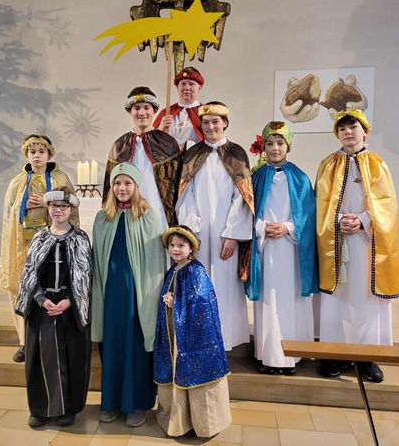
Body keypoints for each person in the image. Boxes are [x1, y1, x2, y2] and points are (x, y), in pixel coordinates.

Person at [315, 108, 399, 382]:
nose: (348, 133)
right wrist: (338, 220)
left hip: (367, 244)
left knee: (365, 300)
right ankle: (334, 354)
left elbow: (387, 206)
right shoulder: (328, 164)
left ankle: (367, 358)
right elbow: (319, 204)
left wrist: (362, 220)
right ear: (337, 133)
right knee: (336, 300)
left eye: (353, 128)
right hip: (336, 240)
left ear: (364, 131)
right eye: (342, 129)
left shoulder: (377, 164)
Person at [92, 162, 166, 427]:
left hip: (138, 294)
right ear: (112, 187)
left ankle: (137, 404)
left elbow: (157, 262)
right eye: (117, 183)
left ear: (136, 187)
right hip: (110, 294)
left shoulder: (148, 217)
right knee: (111, 346)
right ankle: (110, 401)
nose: (122, 188)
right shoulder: (103, 218)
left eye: (127, 183)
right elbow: (96, 260)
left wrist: (151, 295)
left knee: (135, 346)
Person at [176, 102, 254, 351]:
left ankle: (225, 342)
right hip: (198, 233)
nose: (211, 127)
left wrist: (232, 234)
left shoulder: (237, 154)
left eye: (216, 122)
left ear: (225, 123)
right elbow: (184, 194)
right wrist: (190, 230)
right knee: (197, 286)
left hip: (224, 236)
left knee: (224, 286)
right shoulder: (192, 154)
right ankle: (199, 342)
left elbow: (241, 197)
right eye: (206, 122)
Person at [15, 188, 91, 428]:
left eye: (64, 206)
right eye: (54, 206)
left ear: (71, 210)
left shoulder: (80, 238)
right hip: (43, 306)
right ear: (48, 208)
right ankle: (39, 409)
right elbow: (29, 272)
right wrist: (39, 297)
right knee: (39, 357)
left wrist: (70, 300)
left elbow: (85, 275)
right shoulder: (40, 237)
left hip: (70, 306)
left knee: (70, 357)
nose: (59, 210)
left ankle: (68, 409)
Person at [247, 121, 318, 375]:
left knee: (290, 300)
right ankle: (267, 354)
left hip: (290, 250)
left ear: (288, 146)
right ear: (263, 147)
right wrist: (262, 226)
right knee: (269, 300)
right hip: (265, 248)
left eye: (280, 143)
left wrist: (288, 228)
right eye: (270, 143)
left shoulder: (299, 177)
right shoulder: (256, 176)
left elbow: (309, 215)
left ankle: (292, 356)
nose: (275, 148)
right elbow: (248, 211)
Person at [0, 134, 78, 363]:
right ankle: (24, 341)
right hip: (25, 244)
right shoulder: (17, 182)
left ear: (49, 154)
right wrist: (23, 205)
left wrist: (47, 202)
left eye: (41, 151)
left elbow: (72, 207)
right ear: (26, 155)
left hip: (54, 244)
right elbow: (8, 216)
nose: (36, 155)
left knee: (52, 287)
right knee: (24, 289)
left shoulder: (60, 177)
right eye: (32, 151)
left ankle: (54, 335)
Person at [154, 225, 231, 438]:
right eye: (172, 245)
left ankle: (202, 424)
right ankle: (180, 420)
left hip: (193, 336)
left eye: (181, 245)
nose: (175, 249)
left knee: (192, 372)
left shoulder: (196, 271)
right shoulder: (173, 270)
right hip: (175, 333)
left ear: (191, 248)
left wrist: (175, 303)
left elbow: (201, 302)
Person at [102, 86, 181, 231]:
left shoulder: (168, 144)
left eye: (146, 107)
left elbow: (177, 186)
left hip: (160, 215)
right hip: (128, 215)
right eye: (136, 108)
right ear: (129, 112)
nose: (142, 112)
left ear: (154, 110)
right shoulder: (119, 146)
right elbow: (110, 188)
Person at [153, 67, 205, 149]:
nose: (187, 88)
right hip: (170, 158)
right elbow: (153, 143)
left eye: (191, 84)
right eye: (183, 84)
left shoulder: (206, 112)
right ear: (177, 87)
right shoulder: (166, 112)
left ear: (200, 88)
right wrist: (161, 128)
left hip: (196, 158)